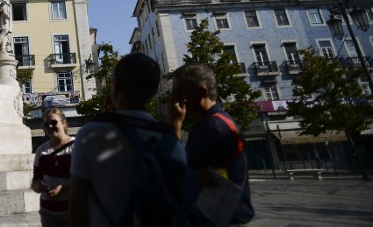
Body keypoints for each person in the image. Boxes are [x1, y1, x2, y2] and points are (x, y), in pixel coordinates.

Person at [69, 53, 187, 226]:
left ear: (115, 86)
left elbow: (77, 211)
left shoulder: (89, 135)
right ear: (154, 92)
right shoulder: (172, 143)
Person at [169, 63, 255, 226]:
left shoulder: (215, 127)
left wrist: (175, 125)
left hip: (223, 220)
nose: (176, 99)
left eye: (179, 92)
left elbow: (177, 174)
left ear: (202, 92)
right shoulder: (205, 123)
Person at [32, 108, 75, 227]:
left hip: (72, 211)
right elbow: (35, 181)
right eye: (46, 124)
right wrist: (38, 186)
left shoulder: (77, 147)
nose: (50, 126)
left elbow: (85, 181)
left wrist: (63, 189)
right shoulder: (41, 151)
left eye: (54, 122)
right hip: (48, 213)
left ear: (64, 123)